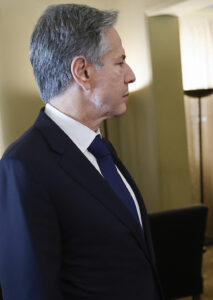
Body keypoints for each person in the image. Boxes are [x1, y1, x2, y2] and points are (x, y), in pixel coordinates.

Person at [0, 4, 162, 300]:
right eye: (120, 62)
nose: (131, 75)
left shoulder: (100, 148)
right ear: (83, 72)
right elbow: (29, 291)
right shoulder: (24, 165)